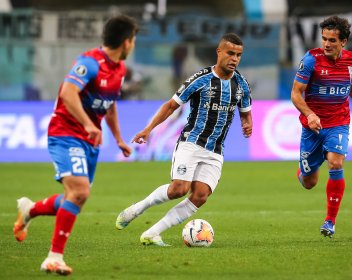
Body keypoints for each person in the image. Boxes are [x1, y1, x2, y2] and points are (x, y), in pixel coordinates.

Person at [13, 14, 138, 275]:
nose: (133, 45)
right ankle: (53, 258)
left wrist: (118, 138)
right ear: (126, 42)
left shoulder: (119, 70)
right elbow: (67, 92)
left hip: (89, 140)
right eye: (133, 40)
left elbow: (110, 105)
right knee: (80, 192)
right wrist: (89, 124)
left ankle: (30, 209)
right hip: (66, 133)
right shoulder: (90, 63)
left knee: (75, 197)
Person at [115, 33, 253, 246]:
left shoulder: (241, 84)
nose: (234, 58)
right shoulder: (201, 79)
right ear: (219, 52)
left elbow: (246, 111)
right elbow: (171, 105)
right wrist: (148, 129)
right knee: (178, 189)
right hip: (191, 142)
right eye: (230, 53)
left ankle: (152, 233)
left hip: (215, 150)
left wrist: (247, 123)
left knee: (200, 195)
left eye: (239, 55)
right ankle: (138, 208)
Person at [291, 15, 352, 238]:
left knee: (336, 163)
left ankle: (330, 221)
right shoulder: (310, 60)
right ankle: (304, 170)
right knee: (309, 182)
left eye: (332, 40)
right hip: (312, 127)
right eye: (324, 39)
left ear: (343, 42)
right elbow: (296, 93)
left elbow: (350, 82)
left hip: (338, 123)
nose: (326, 44)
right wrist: (310, 114)